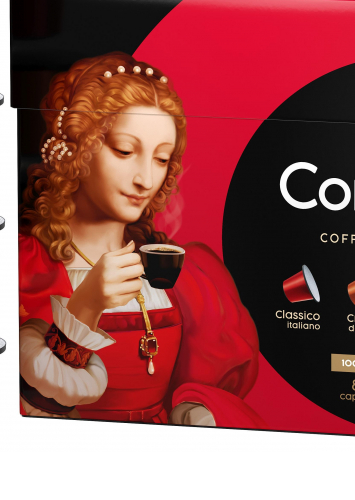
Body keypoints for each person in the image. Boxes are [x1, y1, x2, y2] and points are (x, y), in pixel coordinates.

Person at [18, 52, 265, 428]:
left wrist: (198, 411)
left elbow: (216, 385)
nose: (145, 180)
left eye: (161, 159)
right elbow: (25, 408)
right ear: (80, 147)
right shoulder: (22, 267)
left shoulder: (185, 274)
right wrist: (86, 305)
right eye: (125, 151)